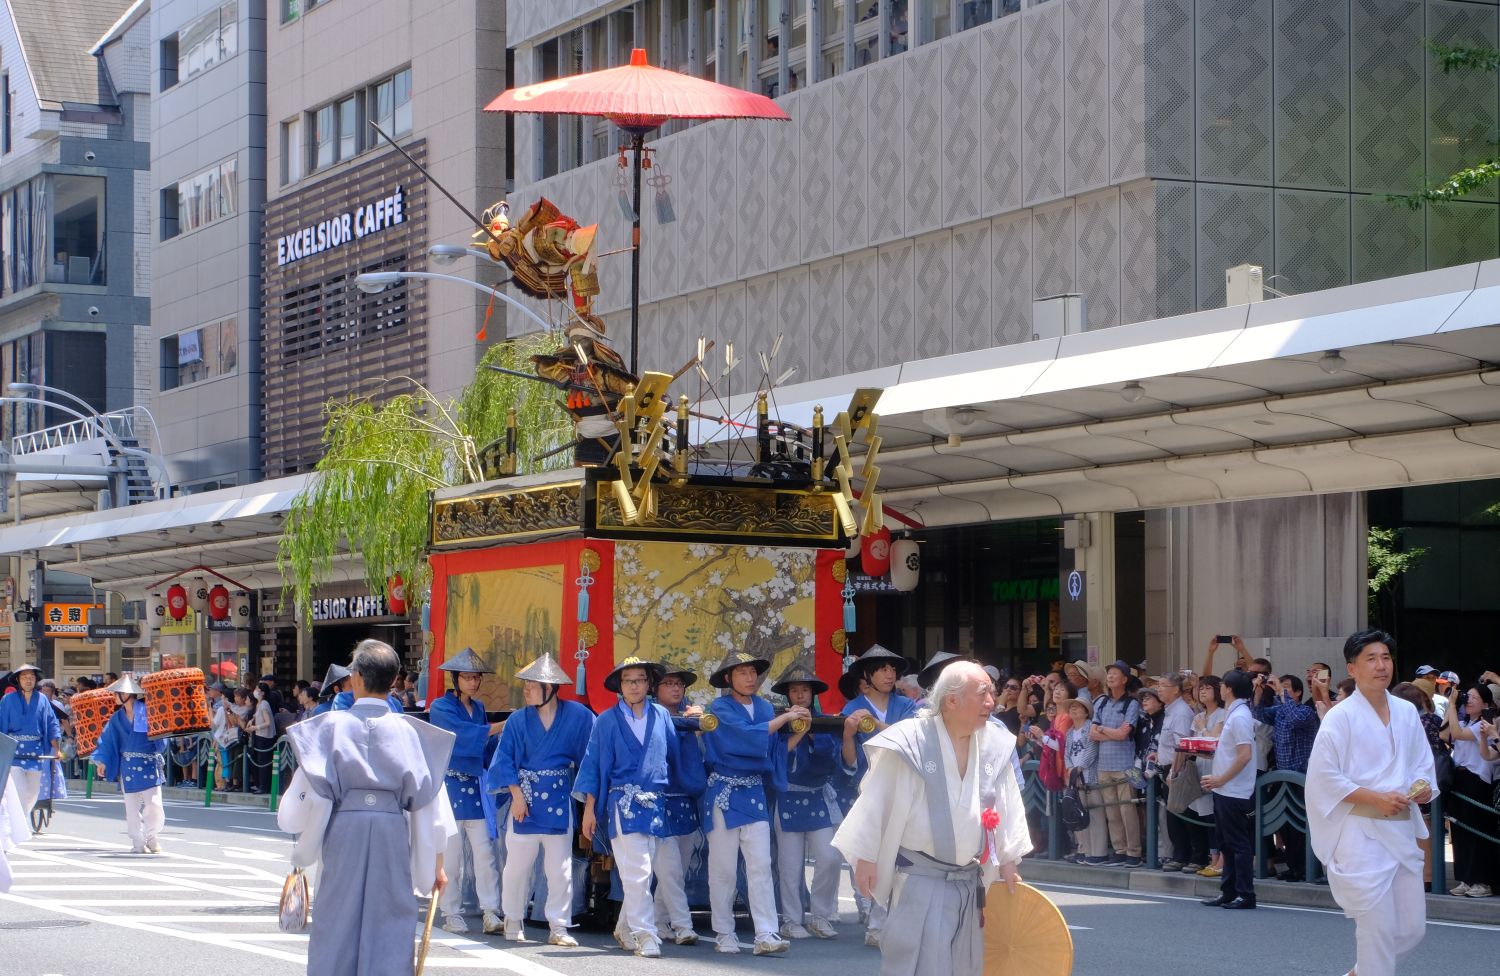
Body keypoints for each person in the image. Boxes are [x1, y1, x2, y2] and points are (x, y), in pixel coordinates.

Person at [832, 661, 1031, 976]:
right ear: (951, 700)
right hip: (920, 878)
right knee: (918, 964)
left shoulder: (995, 741)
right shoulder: (910, 740)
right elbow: (876, 799)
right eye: (982, 695)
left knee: (965, 965)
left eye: (991, 694)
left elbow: (1006, 803)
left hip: (971, 879)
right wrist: (866, 856)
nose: (991, 703)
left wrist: (1008, 859)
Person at [276, 639, 457, 976]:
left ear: (356, 677)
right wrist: (437, 864)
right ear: (393, 681)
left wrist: (299, 830)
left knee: (337, 916)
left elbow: (296, 806)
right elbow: (432, 805)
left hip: (344, 828)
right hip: (391, 829)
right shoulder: (411, 732)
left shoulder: (329, 727)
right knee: (390, 917)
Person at [1306, 629, 1436, 976]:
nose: (1381, 666)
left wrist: (1423, 788)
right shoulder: (1340, 716)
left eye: (1386, 658)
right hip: (1359, 834)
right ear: (1352, 668)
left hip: (1400, 830)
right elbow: (1324, 777)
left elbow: (1423, 763)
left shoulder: (1407, 711)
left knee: (1411, 930)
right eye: (1371, 659)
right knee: (1376, 932)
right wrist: (1374, 797)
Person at [486, 651, 594, 945]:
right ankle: (512, 918)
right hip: (525, 801)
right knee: (517, 866)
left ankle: (558, 927)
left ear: (551, 688)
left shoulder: (580, 717)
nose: (527, 689)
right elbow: (505, 760)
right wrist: (517, 796)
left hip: (559, 800)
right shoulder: (518, 720)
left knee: (560, 868)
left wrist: (589, 803)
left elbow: (591, 757)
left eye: (533, 684)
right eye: (527, 685)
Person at [575, 656, 677, 958]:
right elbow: (593, 764)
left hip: (655, 803)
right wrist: (590, 809)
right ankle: (646, 934)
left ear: (649, 684)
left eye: (640, 679)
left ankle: (623, 927)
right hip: (622, 802)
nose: (634, 685)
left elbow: (670, 755)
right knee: (638, 871)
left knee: (644, 874)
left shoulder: (661, 715)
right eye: (628, 680)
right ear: (620, 686)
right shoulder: (606, 720)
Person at [702, 650, 798, 956]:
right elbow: (742, 737)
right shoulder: (718, 707)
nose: (750, 678)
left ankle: (766, 932)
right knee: (724, 869)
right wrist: (786, 717)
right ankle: (723, 931)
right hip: (724, 792)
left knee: (760, 865)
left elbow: (772, 750)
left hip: (753, 792)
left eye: (752, 672)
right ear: (729, 678)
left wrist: (799, 729)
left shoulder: (765, 707)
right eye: (742, 672)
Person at [839, 644, 920, 947]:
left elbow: (912, 738)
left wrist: (876, 726)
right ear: (868, 675)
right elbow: (848, 761)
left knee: (904, 858)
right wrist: (848, 734)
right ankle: (875, 924)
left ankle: (895, 923)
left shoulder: (908, 705)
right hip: (869, 790)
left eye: (892, 669)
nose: (890, 674)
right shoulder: (852, 708)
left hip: (904, 788)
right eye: (883, 669)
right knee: (874, 856)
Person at [428, 648, 505, 935]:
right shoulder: (440, 707)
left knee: (486, 854)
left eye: (476, 678)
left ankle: (489, 910)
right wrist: (500, 728)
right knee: (452, 856)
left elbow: (483, 746)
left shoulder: (480, 707)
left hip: (475, 786)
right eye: (468, 677)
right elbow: (461, 736)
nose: (473, 682)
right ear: (456, 679)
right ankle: (451, 913)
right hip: (450, 788)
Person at [770, 660, 842, 940]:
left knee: (830, 857)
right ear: (787, 695)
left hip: (816, 796)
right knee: (790, 865)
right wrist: (795, 726)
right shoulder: (779, 721)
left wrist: (810, 729)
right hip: (787, 795)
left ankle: (821, 915)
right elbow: (777, 756)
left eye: (805, 690)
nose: (800, 695)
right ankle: (791, 919)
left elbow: (828, 759)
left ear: (813, 695)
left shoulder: (824, 722)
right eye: (795, 690)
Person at [651, 666, 706, 945]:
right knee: (670, 869)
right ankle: (683, 925)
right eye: (668, 683)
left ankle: (657, 919)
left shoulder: (695, 716)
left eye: (679, 685)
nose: (675, 688)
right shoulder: (648, 716)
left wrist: (699, 727)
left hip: (685, 800)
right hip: (658, 800)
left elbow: (706, 757)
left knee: (677, 870)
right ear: (655, 689)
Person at [1199, 669, 1259, 909]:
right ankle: (1229, 890)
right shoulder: (1235, 714)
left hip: (1234, 790)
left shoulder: (1240, 716)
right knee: (1226, 842)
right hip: (1225, 788)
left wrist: (1221, 779)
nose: (1220, 688)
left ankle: (1245, 894)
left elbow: (1245, 755)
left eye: (1222, 684)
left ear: (1229, 688)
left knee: (1238, 843)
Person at [92, 675, 168, 854]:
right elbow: (107, 740)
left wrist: (160, 740)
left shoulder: (148, 712)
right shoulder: (116, 718)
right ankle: (137, 841)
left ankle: (151, 836)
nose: (114, 697)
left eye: (117, 693)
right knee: (131, 806)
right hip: (127, 765)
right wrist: (102, 761)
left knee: (154, 804)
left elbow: (161, 736)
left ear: (127, 694)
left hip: (148, 762)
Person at [1440, 681, 1498, 897]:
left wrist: (1454, 706)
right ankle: (1466, 878)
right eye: (1468, 696)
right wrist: (1451, 706)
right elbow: (1445, 735)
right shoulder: (1464, 719)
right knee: (1461, 832)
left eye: (1474, 697)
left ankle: (1482, 881)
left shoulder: (1484, 724)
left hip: (1477, 780)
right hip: (1460, 778)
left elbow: (1457, 733)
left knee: (1478, 832)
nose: (1469, 700)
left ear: (1485, 703)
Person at [1090, 660, 1143, 866]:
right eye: (1109, 673)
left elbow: (1124, 734)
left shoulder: (1132, 703)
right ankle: (1119, 849)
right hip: (1104, 765)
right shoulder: (1101, 703)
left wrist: (1104, 730)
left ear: (1125, 679)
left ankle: (1134, 852)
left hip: (1125, 765)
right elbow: (1093, 733)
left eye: (1115, 673)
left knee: (1127, 811)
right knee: (1111, 811)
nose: (1110, 677)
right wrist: (1106, 731)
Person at [0, 665, 61, 826]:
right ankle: (18, 825)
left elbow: (51, 723)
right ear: (18, 680)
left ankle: (18, 821)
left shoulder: (42, 700)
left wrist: (57, 749)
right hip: (14, 752)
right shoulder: (8, 700)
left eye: (32, 677)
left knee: (33, 793)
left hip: (36, 752)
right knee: (19, 791)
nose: (28, 680)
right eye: (25, 677)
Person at [1155, 672, 1196, 871]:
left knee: (1180, 815)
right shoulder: (1170, 710)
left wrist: (1174, 772)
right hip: (1166, 768)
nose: (1158, 689)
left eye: (1163, 685)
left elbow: (1183, 746)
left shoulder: (1181, 712)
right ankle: (1179, 855)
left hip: (1177, 771)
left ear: (1176, 689)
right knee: (1172, 815)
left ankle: (1184, 856)